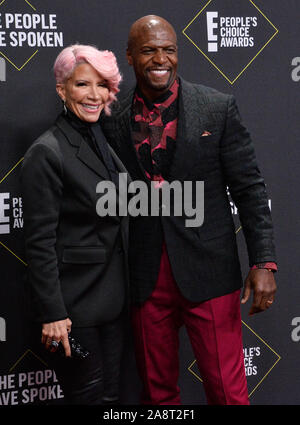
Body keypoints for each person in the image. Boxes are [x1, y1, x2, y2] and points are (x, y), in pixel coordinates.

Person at [101, 15, 277, 405]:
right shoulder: (111, 116)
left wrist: (263, 262)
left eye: (168, 49)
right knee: (157, 394)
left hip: (209, 270)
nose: (160, 58)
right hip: (144, 276)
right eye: (148, 50)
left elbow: (249, 189)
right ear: (130, 56)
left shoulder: (216, 107)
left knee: (228, 393)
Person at [20, 44, 129, 405]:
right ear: (61, 89)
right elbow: (39, 242)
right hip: (74, 311)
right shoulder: (47, 151)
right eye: (82, 84)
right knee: (88, 397)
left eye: (102, 85)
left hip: (113, 300)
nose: (94, 95)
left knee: (111, 397)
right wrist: (53, 314)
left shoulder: (99, 139)